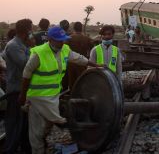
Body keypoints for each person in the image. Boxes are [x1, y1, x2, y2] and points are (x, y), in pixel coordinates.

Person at [19, 26, 99, 154]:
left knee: (46, 127)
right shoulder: (39, 53)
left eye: (63, 40)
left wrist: (95, 65)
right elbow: (26, 74)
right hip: (38, 97)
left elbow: (79, 58)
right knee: (37, 132)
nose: (62, 42)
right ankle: (38, 150)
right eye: (59, 40)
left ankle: (45, 145)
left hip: (53, 96)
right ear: (50, 39)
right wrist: (23, 96)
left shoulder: (64, 50)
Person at [3, 19, 34, 154]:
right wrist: (30, 48)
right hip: (16, 90)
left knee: (24, 123)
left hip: (24, 89)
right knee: (14, 122)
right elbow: (26, 65)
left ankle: (23, 147)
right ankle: (10, 149)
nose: (32, 32)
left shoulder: (21, 44)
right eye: (31, 29)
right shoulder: (14, 46)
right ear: (26, 31)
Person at [64, 22, 94, 90]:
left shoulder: (69, 38)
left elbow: (64, 50)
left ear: (74, 28)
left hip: (71, 63)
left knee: (72, 83)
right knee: (82, 81)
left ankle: (72, 97)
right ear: (81, 28)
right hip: (83, 63)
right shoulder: (87, 38)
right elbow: (93, 49)